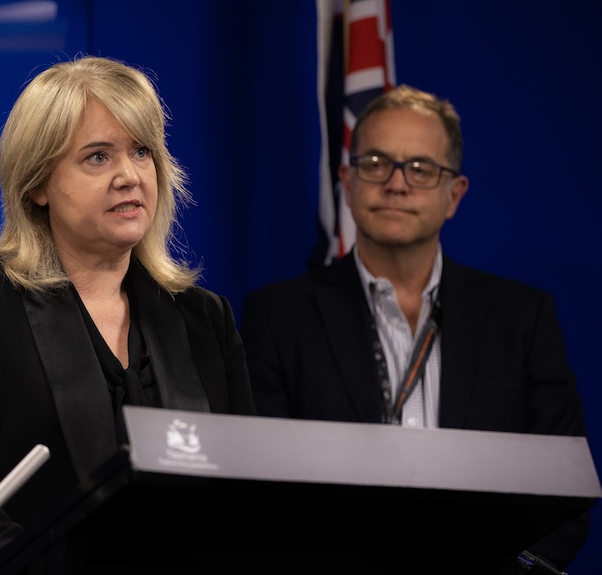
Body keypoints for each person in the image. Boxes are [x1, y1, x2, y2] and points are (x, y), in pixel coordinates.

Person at [0, 55, 255, 574]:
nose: (129, 176)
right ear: (37, 184)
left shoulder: (203, 318)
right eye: (97, 157)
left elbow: (244, 484)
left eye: (142, 151)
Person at [241, 85, 591, 573]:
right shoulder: (275, 317)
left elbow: (565, 485)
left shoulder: (522, 318)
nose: (397, 184)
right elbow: (261, 490)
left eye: (422, 169)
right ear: (347, 180)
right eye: (376, 162)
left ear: (455, 195)